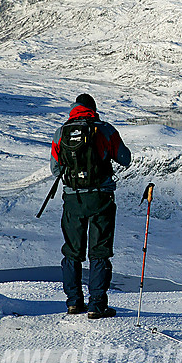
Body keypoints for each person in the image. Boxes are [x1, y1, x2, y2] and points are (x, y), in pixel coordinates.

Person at [50, 94, 131, 319]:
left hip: (73, 200)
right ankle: (97, 305)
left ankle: (74, 303)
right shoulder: (104, 129)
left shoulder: (61, 132)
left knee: (72, 252)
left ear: (74, 110)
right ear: (93, 109)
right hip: (101, 199)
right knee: (99, 251)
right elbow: (125, 158)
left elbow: (55, 169)